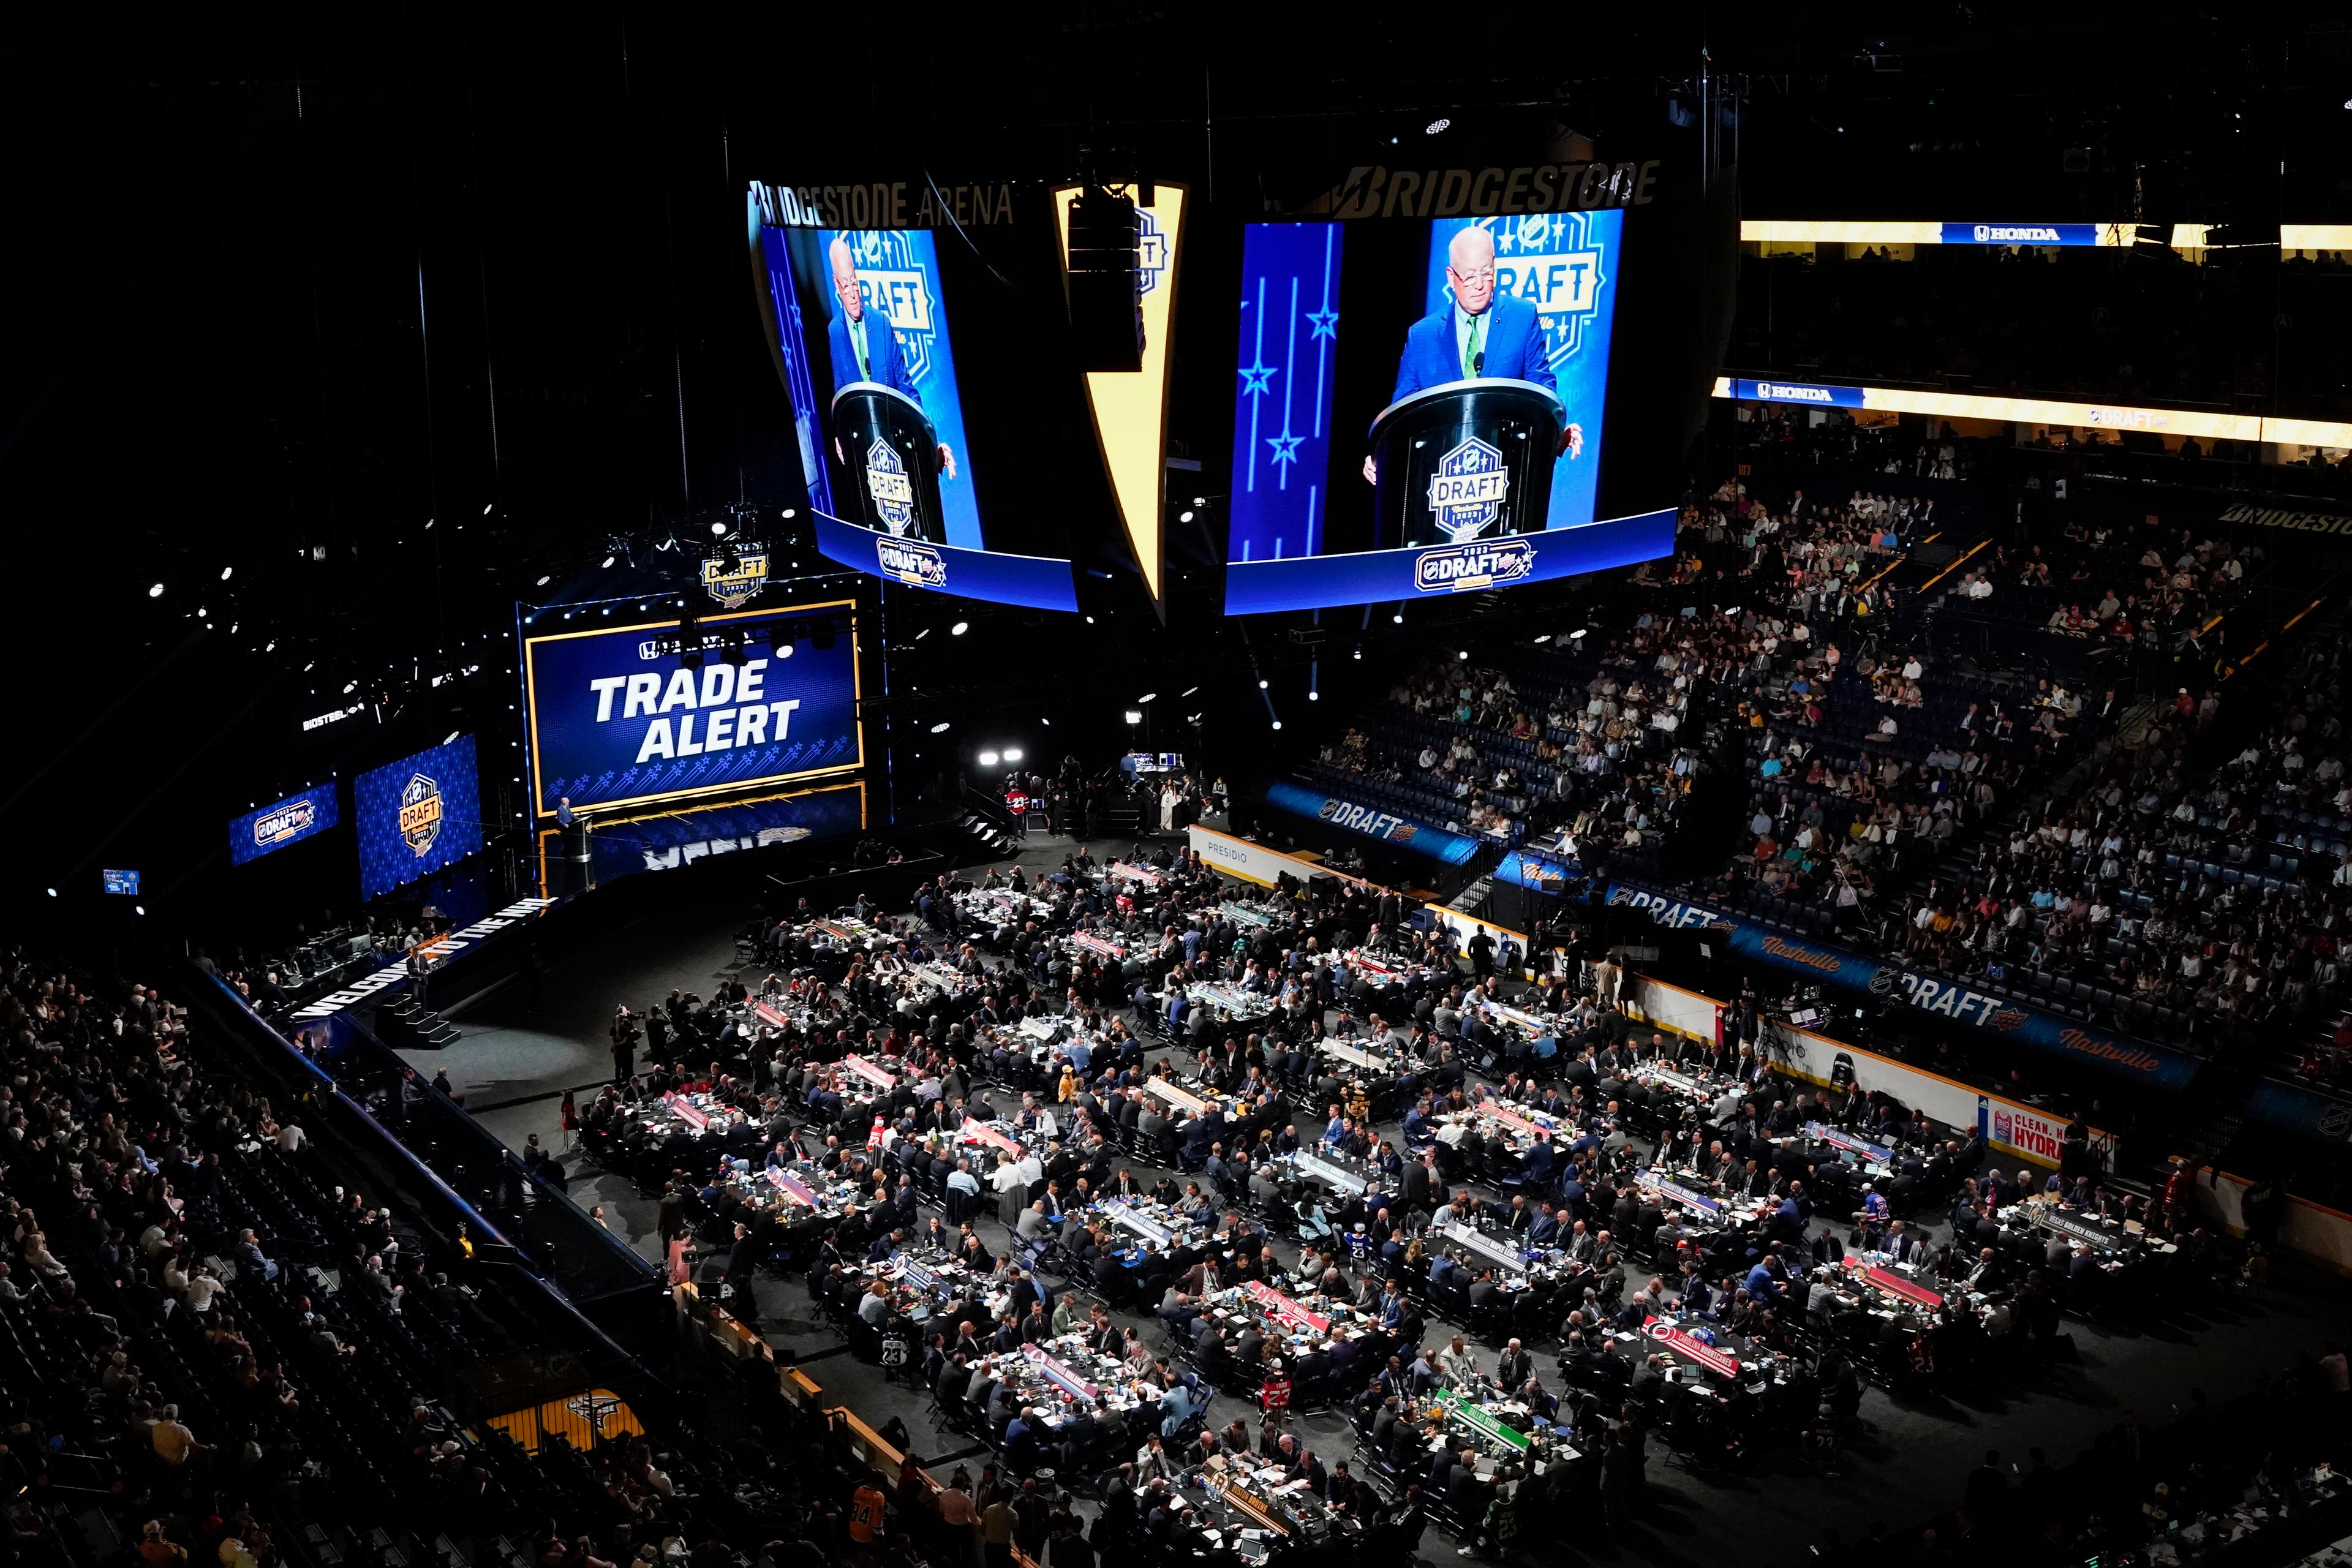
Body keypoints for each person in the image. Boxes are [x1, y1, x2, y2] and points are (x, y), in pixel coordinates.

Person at [1368, 223, 1581, 483]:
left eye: (1486, 272)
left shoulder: (1521, 318)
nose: (1479, 285)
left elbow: (1543, 390)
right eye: (1469, 276)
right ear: (1451, 277)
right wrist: (1382, 454)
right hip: (1441, 478)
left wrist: (1556, 434)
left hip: (1506, 471)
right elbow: (1402, 413)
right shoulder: (1422, 335)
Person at [826, 235, 956, 479]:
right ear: (836, 284)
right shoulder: (835, 332)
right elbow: (841, 392)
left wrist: (931, 443)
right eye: (845, 286)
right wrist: (841, 434)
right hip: (866, 455)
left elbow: (907, 390)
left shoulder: (881, 323)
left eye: (854, 283)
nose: (853, 293)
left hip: (896, 442)